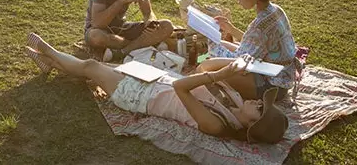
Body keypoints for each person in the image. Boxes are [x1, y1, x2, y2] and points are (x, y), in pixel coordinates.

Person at [25, 33, 289, 144]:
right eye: (262, 103)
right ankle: (49, 61)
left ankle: (48, 51)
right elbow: (202, 68)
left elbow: (181, 86)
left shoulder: (217, 125)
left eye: (260, 110)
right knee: (92, 71)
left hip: (142, 96)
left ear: (251, 126)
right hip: (154, 77)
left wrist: (219, 75)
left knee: (92, 67)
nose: (257, 102)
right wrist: (236, 64)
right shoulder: (235, 97)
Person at [205, 0, 300, 101]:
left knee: (208, 67)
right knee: (222, 45)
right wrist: (231, 29)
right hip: (282, 77)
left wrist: (210, 39)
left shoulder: (260, 26)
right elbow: (256, 45)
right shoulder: (275, 10)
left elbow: (239, 63)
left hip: (271, 88)